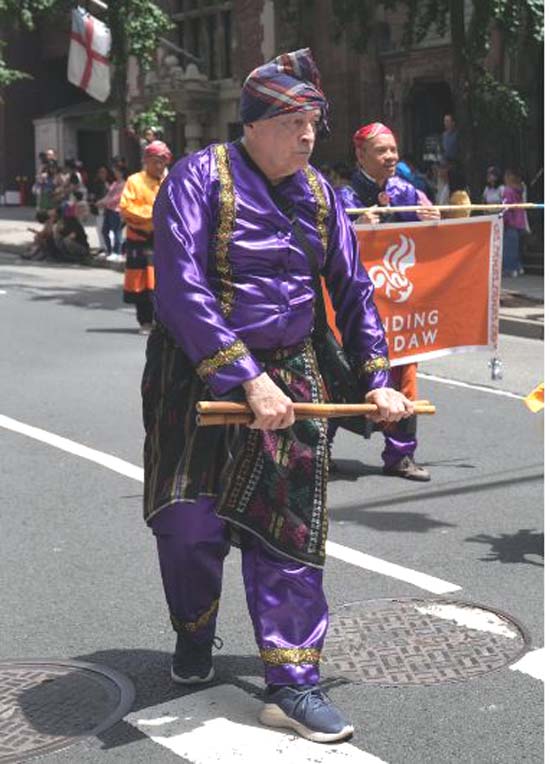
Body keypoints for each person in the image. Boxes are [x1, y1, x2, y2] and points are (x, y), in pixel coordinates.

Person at [144, 48, 412, 743]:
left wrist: (379, 381)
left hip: (293, 375)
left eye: (314, 124)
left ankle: (295, 680)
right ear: (256, 123)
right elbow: (179, 289)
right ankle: (195, 632)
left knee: (288, 531)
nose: (307, 137)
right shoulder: (195, 179)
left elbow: (353, 292)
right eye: (294, 122)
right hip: (198, 374)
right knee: (188, 528)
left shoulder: (320, 194)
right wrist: (243, 376)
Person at [335, 121, 440, 481]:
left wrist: (434, 218)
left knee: (404, 377)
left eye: (393, 149)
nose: (391, 156)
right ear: (361, 155)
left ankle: (400, 455)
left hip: (398, 304)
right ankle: (319, 453)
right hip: (355, 307)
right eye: (382, 150)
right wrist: (354, 225)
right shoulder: (344, 198)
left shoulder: (407, 191)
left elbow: (430, 234)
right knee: (337, 374)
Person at [119, 140, 172, 333]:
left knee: (164, 281)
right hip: (140, 239)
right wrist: (153, 214)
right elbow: (126, 208)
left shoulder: (170, 180)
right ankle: (145, 321)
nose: (159, 166)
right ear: (146, 161)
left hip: (164, 240)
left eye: (162, 161)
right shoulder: (135, 181)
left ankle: (164, 321)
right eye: (154, 161)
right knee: (140, 282)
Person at [97, 164, 127, 262]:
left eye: (117, 171)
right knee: (104, 231)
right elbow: (109, 195)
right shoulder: (115, 183)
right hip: (109, 210)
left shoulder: (124, 184)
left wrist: (104, 202)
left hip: (117, 210)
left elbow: (117, 198)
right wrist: (101, 201)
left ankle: (117, 252)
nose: (115, 173)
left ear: (122, 173)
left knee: (116, 231)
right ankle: (109, 251)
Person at [502, 168, 528, 277]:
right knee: (516, 247)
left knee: (509, 247)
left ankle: (510, 269)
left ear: (508, 177)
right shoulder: (520, 189)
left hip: (511, 222)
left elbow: (506, 207)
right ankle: (518, 267)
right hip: (520, 222)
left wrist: (504, 220)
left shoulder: (507, 190)